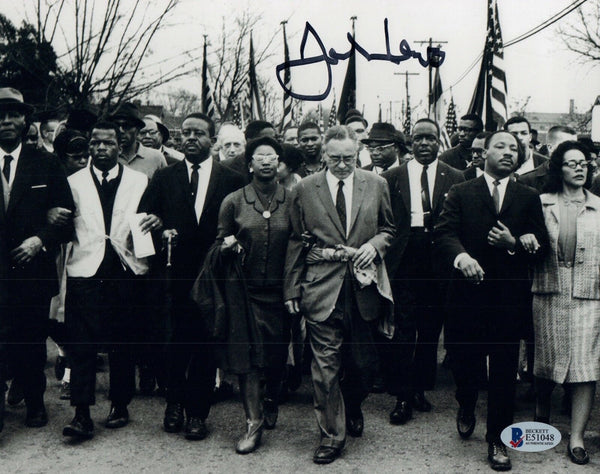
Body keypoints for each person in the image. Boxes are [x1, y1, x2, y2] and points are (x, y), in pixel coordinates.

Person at [433, 130, 549, 471]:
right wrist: (462, 258)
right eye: (501, 146)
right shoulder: (460, 192)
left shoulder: (527, 196)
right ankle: (466, 402)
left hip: (507, 299)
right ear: (484, 153)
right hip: (467, 298)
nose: (508, 153)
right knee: (466, 364)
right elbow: (444, 233)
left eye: (514, 148)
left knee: (502, 369)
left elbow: (540, 242)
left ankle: (498, 438)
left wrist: (517, 241)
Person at [284, 125, 394, 464]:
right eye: (335, 159)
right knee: (324, 367)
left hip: (362, 287)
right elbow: (295, 240)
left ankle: (352, 405)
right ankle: (331, 435)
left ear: (358, 151)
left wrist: (374, 247)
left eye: (348, 158)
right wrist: (292, 287)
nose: (343, 165)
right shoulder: (304, 189)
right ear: (323, 156)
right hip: (321, 288)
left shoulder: (376, 184)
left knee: (363, 366)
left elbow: (389, 229)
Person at [139, 112, 245, 441]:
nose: (190, 139)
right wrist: (157, 229)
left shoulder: (230, 180)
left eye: (198, 134)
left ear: (212, 141)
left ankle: (198, 412)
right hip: (174, 275)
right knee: (173, 342)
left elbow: (242, 226)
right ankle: (174, 404)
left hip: (214, 275)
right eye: (185, 133)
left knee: (205, 343)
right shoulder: (165, 177)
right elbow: (143, 221)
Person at [62, 121, 161, 440]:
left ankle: (119, 403)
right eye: (94, 143)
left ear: (120, 146)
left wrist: (155, 222)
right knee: (81, 343)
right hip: (85, 270)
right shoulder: (73, 182)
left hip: (125, 270)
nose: (100, 148)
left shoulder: (139, 181)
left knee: (123, 341)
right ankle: (81, 414)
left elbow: (149, 218)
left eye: (107, 143)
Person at [200, 136, 291, 454]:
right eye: (259, 156)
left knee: (277, 357)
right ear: (249, 163)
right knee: (248, 359)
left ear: (278, 162)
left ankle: (270, 399)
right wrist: (227, 246)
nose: (266, 161)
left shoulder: (292, 200)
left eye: (271, 156)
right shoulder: (233, 201)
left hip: (281, 293)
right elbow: (217, 245)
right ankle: (253, 423)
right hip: (244, 292)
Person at [382, 118, 464, 424]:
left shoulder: (456, 176)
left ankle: (420, 387)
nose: (425, 144)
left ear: (439, 142)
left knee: (431, 329)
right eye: (419, 139)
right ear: (410, 143)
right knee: (404, 327)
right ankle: (402, 395)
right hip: (406, 255)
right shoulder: (393, 177)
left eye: (430, 138)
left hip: (440, 255)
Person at [0, 87, 74, 430]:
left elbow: (66, 216)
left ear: (24, 119)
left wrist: (40, 240)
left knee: (31, 340)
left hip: (31, 268)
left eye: (13, 114)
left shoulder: (46, 163)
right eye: (0, 115)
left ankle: (34, 401)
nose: (6, 122)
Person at [531, 141, 600, 465]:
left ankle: (576, 437)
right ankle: (540, 410)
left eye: (584, 162)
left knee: (586, 367)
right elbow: (525, 242)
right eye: (572, 163)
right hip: (549, 290)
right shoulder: (540, 204)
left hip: (590, 295)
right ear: (558, 168)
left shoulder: (599, 206)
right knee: (547, 359)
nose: (579, 167)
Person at [109, 102, 167, 179]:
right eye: (116, 126)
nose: (121, 131)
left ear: (138, 130)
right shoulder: (106, 156)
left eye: (127, 126)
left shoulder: (156, 158)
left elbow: (167, 188)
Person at [519, 125, 577, 191]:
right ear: (550, 147)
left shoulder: (582, 176)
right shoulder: (527, 180)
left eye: (576, 146)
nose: (574, 150)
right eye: (567, 146)